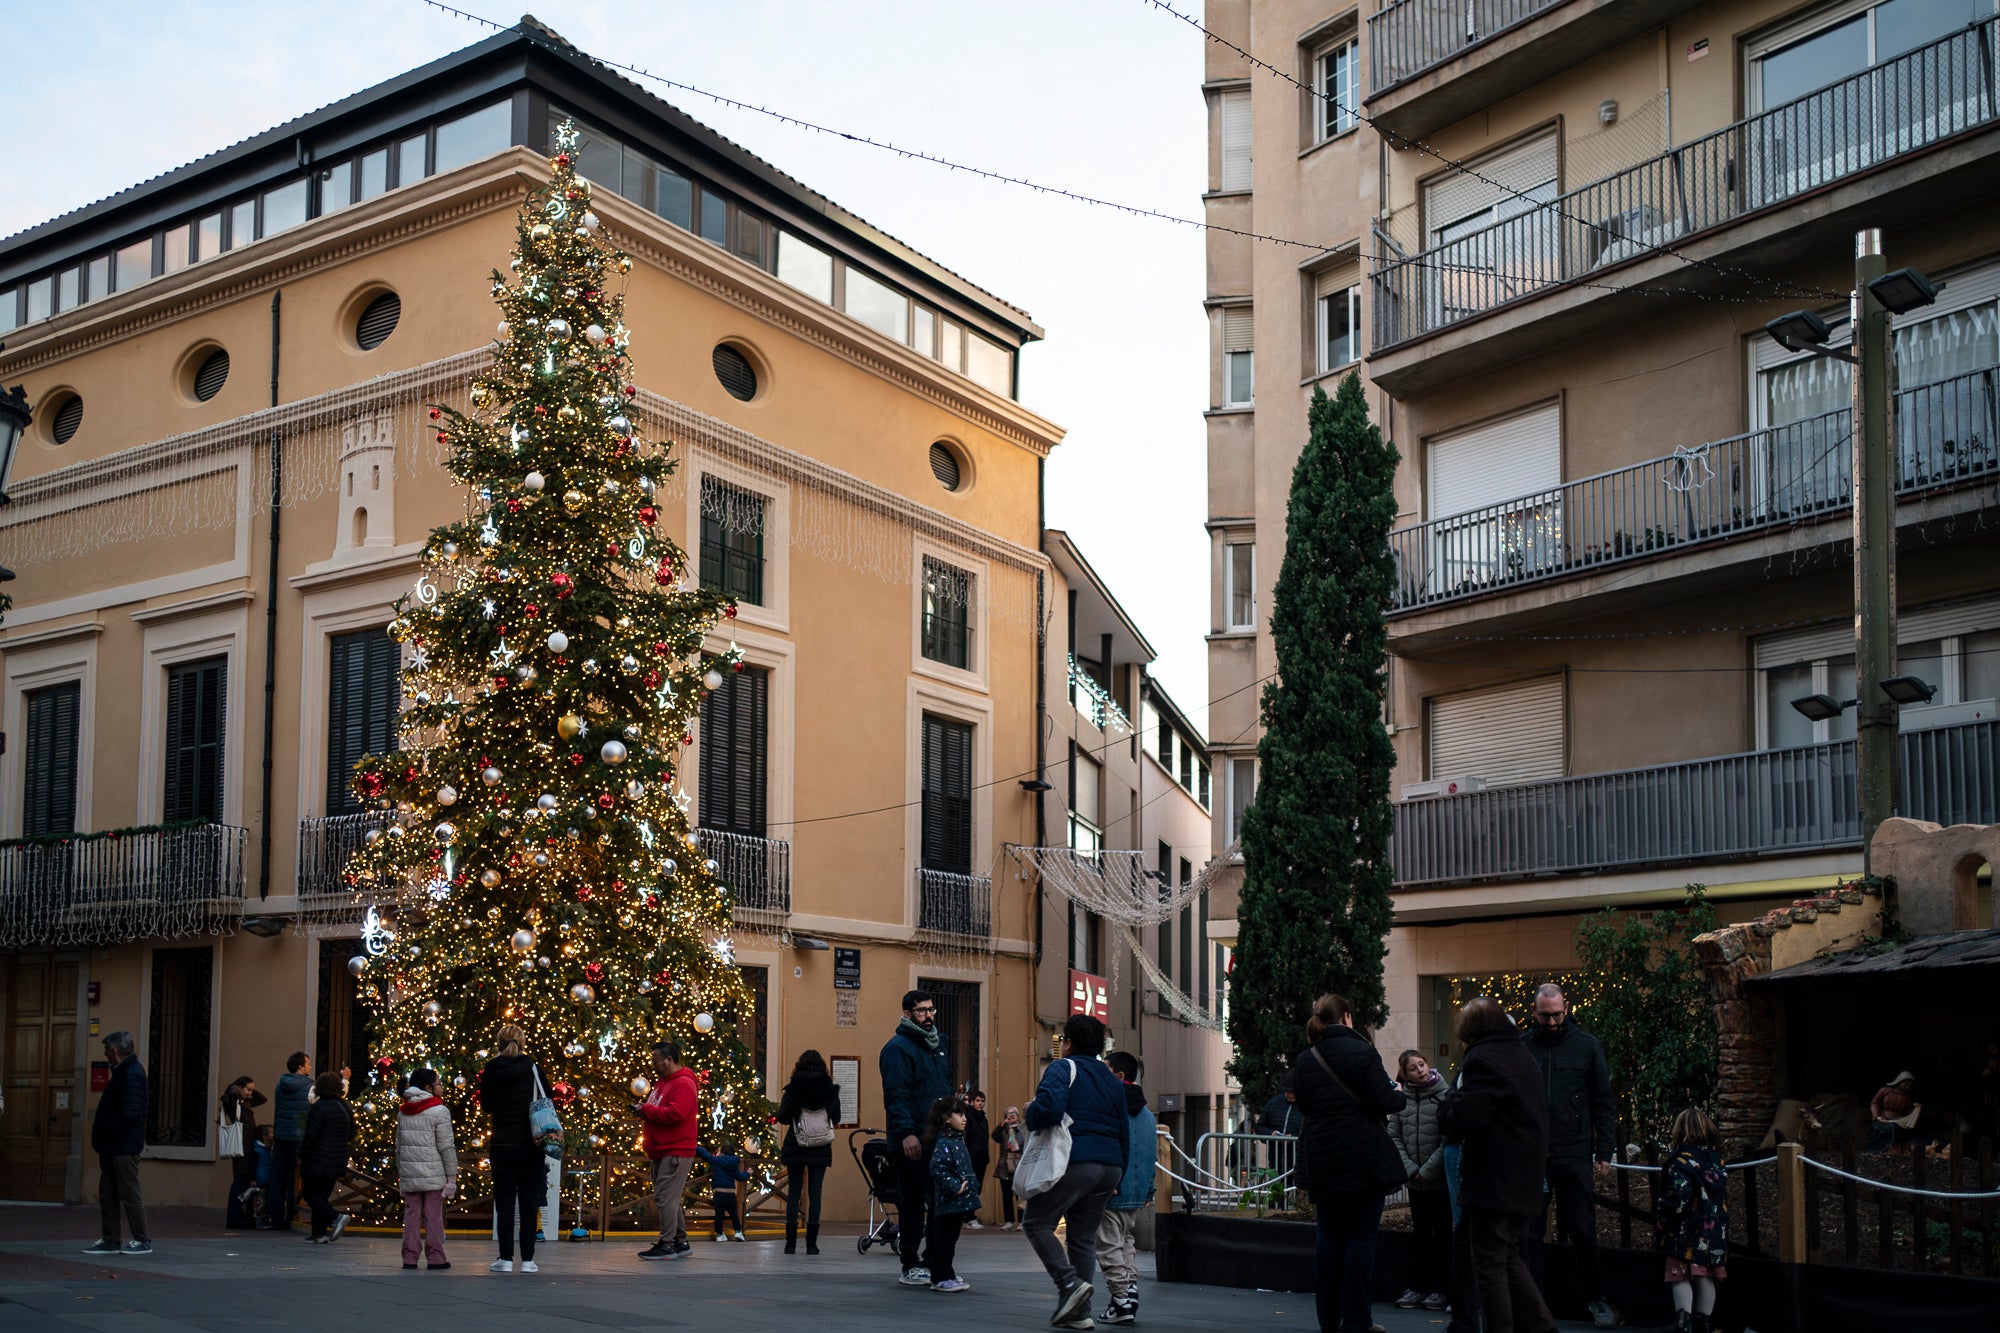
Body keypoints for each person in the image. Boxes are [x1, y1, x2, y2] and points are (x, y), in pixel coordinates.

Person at [1292, 994, 1407, 1333]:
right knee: (1361, 1238)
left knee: (1328, 1237)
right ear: (1347, 1017)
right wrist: (1399, 1091)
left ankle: (1328, 1319)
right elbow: (1385, 1100)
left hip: (1322, 1158)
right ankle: (1358, 1319)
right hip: (1361, 1157)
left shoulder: (1306, 1059)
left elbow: (1306, 1108)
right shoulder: (1362, 1052)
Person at [1442, 997, 1558, 1333]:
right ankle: (1540, 1326)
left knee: (1490, 1262)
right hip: (1524, 1172)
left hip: (1494, 1174)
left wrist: (1447, 1106)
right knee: (1506, 1255)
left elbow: (1467, 1118)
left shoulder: (1482, 1060)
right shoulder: (1521, 1054)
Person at [1022, 1014, 1130, 1331]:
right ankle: (1079, 1313)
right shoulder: (1112, 1079)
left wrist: (1031, 1112)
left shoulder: (1061, 1067)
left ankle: (1069, 1285)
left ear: (1067, 1043)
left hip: (1076, 1160)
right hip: (1110, 1166)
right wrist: (1118, 1175)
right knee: (1082, 1238)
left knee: (1036, 1222)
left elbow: (1050, 1109)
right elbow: (1124, 1129)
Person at [1524, 983, 1620, 1328]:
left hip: (1573, 1150)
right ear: (1534, 1012)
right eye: (1545, 1015)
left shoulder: (1586, 1046)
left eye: (1556, 1014)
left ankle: (1595, 1298)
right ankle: (1533, 1302)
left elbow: (1604, 1103)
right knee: (1530, 1231)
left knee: (1582, 1228)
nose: (1551, 1022)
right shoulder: (1523, 1047)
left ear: (1566, 1009)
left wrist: (1603, 1150)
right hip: (1535, 1153)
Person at [879, 988, 952, 1287]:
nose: (929, 1016)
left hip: (938, 1138)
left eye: (932, 1010)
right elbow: (896, 1096)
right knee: (911, 1202)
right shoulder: (897, 1048)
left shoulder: (938, 1045)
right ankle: (910, 1263)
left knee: (939, 1201)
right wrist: (908, 1133)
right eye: (922, 1011)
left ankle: (933, 1261)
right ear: (907, 1014)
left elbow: (942, 1088)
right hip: (910, 1140)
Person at [482, 1023, 551, 1272]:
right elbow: (547, 1098)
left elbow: (486, 1105)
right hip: (530, 1143)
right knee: (529, 1200)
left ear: (498, 1042)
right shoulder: (533, 1068)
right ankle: (529, 1260)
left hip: (502, 1141)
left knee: (504, 1199)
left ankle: (505, 1259)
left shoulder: (491, 1069)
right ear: (522, 1042)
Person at [1096, 1049, 1157, 1326]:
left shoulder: (1109, 1108)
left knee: (1109, 1246)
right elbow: (1151, 1155)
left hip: (1113, 1189)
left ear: (1119, 1076)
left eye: (1106, 1070)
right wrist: (1148, 1191)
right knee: (1125, 1241)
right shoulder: (1148, 1115)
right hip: (1136, 1192)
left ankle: (1120, 1300)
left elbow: (1108, 1148)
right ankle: (1129, 1289)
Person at [1656, 1108, 1729, 1333]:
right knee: (1705, 1275)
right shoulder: (1717, 1162)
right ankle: (1703, 1322)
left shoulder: (1681, 1163)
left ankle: (1683, 1322)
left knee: (1679, 1274)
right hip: (1715, 1232)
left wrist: (1663, 1216)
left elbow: (1679, 1196)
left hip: (1686, 1231)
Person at [82, 1030, 152, 1256]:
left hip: (124, 1146)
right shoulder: (123, 1072)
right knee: (108, 1193)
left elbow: (130, 1113)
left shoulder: (131, 1073)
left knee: (129, 1193)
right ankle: (110, 1239)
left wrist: (106, 1129)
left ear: (114, 1050)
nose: (105, 1055)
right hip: (113, 1146)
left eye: (106, 1051)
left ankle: (141, 1239)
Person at [1391, 1051, 1451, 1314]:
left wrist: (1427, 1170)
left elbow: (1448, 1137)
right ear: (1405, 1075)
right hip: (1415, 1182)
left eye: (1422, 1064)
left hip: (1438, 1180)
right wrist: (1411, 1170)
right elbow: (1394, 1136)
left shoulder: (1443, 1096)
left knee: (1444, 1235)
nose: (1421, 1070)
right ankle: (1420, 1285)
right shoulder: (1401, 1101)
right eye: (1413, 1068)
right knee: (1421, 1235)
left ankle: (1443, 1288)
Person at [636, 1039, 699, 1261]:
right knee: (669, 1197)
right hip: (662, 1149)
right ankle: (680, 1241)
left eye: (656, 1060)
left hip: (676, 1149)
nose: (653, 1065)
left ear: (669, 1060)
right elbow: (659, 1108)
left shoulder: (683, 1083)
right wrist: (645, 1110)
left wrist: (646, 1111)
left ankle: (667, 1244)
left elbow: (676, 1113)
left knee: (664, 1197)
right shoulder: (663, 1082)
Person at [776, 1048, 841, 1255]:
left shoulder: (793, 1089)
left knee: (794, 1191)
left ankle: (790, 1243)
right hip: (821, 1146)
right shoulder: (829, 1089)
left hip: (796, 1143)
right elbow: (837, 1117)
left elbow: (783, 1117)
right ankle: (812, 1244)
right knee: (816, 1193)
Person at [396, 1067, 458, 1270]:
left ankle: (410, 1258)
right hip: (433, 1173)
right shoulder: (439, 1110)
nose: (441, 1087)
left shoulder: (403, 1110)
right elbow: (446, 1146)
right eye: (439, 1083)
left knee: (412, 1215)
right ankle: (436, 1257)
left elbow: (399, 1146)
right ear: (428, 1087)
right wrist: (452, 1176)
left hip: (410, 1173)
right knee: (433, 1216)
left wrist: (401, 1172)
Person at [925, 1095, 981, 1292]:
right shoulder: (944, 1142)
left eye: (964, 1114)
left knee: (951, 1240)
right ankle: (939, 1277)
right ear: (947, 1118)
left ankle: (947, 1273)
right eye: (959, 1114)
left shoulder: (957, 1140)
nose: (964, 1118)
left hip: (958, 1201)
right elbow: (938, 1169)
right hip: (949, 1201)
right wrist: (955, 1186)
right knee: (944, 1240)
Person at [298, 1071, 353, 1244]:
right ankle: (318, 1232)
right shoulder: (345, 1107)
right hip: (337, 1158)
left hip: (318, 1159)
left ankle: (335, 1218)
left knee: (310, 1194)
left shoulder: (319, 1107)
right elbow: (352, 1133)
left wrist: (302, 1154)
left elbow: (311, 1137)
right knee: (321, 1195)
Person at [270, 1052, 313, 1231]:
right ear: (300, 1067)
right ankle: (291, 1217)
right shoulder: (310, 1086)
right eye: (308, 1064)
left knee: (278, 1178)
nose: (310, 1067)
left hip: (281, 1136)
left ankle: (276, 1218)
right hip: (298, 1138)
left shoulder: (281, 1085)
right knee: (294, 1180)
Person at [221, 1075, 266, 1228]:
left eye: (251, 1090)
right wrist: (236, 1089)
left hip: (247, 1146)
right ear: (239, 1088)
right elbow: (229, 1095)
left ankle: (241, 1217)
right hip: (240, 1146)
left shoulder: (245, 1102)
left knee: (244, 1181)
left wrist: (249, 1090)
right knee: (239, 1182)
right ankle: (236, 1219)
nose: (250, 1093)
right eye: (248, 1089)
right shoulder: (233, 1100)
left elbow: (262, 1099)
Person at [696, 1141, 749, 1241]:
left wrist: (696, 1146)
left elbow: (706, 1155)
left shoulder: (716, 1160)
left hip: (719, 1192)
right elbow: (740, 1176)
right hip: (730, 1193)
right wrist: (748, 1173)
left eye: (719, 1151)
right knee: (733, 1214)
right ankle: (738, 1232)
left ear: (722, 1153)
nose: (717, 1153)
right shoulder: (734, 1163)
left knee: (719, 1215)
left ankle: (720, 1235)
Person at [1869, 1072, 1921, 1152]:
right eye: (1906, 1083)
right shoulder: (1885, 1090)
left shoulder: (1906, 1096)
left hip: (1898, 1120)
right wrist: (1877, 1116)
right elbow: (1875, 1103)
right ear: (1900, 1081)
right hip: (1882, 1119)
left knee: (1897, 1129)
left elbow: (1907, 1110)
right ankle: (1880, 1150)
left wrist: (1915, 1110)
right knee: (1889, 1128)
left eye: (1910, 1085)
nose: (1907, 1086)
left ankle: (1894, 1150)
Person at [992, 1105, 1026, 1230]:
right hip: (1005, 1166)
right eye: (1008, 1115)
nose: (1011, 1117)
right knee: (1006, 1195)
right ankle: (1009, 1221)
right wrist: (1001, 1125)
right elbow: (995, 1136)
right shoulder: (1004, 1130)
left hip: (1019, 1166)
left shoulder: (1023, 1128)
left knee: (1020, 1195)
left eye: (1013, 1115)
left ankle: (1022, 1221)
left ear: (1018, 1116)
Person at [964, 1090, 992, 1228]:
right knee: (971, 1187)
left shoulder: (984, 1119)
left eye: (982, 1101)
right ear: (972, 1102)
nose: (980, 1103)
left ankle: (968, 1216)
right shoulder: (968, 1117)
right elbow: (967, 1137)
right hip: (971, 1157)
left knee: (977, 1188)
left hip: (981, 1158)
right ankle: (968, 1217)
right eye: (978, 1101)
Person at [1258, 1070, 1303, 1136]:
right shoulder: (1273, 1102)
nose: (1288, 1095)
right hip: (1276, 1145)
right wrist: (1271, 1133)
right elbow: (1260, 1127)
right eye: (1287, 1091)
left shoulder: (1307, 1106)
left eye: (1291, 1092)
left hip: (1297, 1146)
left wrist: (1294, 1136)